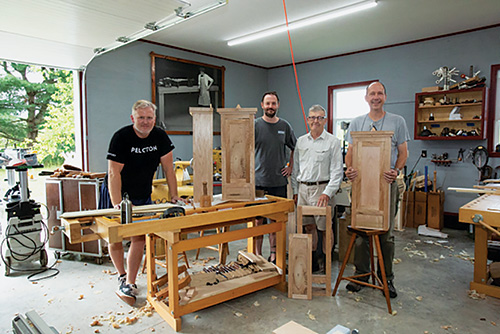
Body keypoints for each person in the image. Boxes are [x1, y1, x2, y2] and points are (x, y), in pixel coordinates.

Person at [106, 99, 183, 306]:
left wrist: (174, 195)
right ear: (133, 118)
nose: (146, 122)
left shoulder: (160, 136)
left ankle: (130, 282)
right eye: (141, 118)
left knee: (139, 236)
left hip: (142, 194)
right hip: (118, 193)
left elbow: (168, 169)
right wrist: (116, 204)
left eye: (149, 118)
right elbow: (114, 173)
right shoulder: (121, 137)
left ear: (154, 119)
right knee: (115, 237)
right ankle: (121, 275)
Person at [344, 82, 410, 298]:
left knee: (386, 234)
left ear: (385, 96)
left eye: (379, 93)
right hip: (362, 186)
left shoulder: (397, 121)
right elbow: (350, 152)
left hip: (385, 185)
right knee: (361, 233)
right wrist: (350, 169)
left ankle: (386, 278)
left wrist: (396, 171)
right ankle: (361, 275)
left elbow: (403, 152)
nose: (376, 97)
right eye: (372, 93)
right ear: (366, 98)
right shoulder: (357, 122)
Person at [291, 105, 343, 272]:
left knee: (326, 228)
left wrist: (327, 193)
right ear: (307, 120)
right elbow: (295, 169)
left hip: (322, 190)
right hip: (303, 190)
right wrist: (295, 191)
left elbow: (337, 172)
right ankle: (313, 262)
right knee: (309, 227)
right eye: (312, 117)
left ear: (325, 120)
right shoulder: (301, 141)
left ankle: (327, 264)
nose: (315, 121)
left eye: (319, 118)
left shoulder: (333, 142)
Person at [254, 91, 296, 263]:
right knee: (258, 221)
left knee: (276, 221)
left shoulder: (285, 126)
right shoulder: (255, 125)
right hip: (258, 182)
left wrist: (290, 166)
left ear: (278, 105)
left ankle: (274, 254)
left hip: (278, 182)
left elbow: (295, 147)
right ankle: (256, 255)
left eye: (274, 103)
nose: (270, 107)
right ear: (262, 105)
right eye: (267, 103)